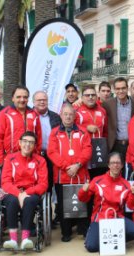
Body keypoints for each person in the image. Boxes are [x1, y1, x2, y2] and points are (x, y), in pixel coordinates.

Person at [78, 152, 134, 252]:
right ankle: (99, 238)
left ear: (122, 165)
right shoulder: (97, 180)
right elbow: (83, 199)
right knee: (91, 247)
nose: (115, 165)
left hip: (117, 219)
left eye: (118, 163)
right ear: (108, 165)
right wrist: (84, 190)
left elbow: (131, 205)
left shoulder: (126, 184)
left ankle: (116, 240)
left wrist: (133, 194)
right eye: (112, 163)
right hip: (100, 219)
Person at [48, 103, 92, 242]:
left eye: (71, 114)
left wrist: (77, 165)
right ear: (61, 115)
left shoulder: (83, 131)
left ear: (75, 116)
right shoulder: (54, 132)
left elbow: (88, 150)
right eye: (65, 114)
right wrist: (68, 167)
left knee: (83, 201)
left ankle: (83, 230)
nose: (68, 116)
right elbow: (52, 152)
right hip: (63, 175)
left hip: (80, 174)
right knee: (63, 205)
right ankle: (66, 232)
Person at [1, 132, 48, 249]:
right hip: (13, 191)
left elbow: (43, 184)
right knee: (11, 201)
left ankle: (25, 238)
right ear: (20, 143)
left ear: (35, 145)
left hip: (31, 192)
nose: (28, 145)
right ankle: (13, 240)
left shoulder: (40, 161)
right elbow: (5, 182)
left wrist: (26, 193)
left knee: (29, 201)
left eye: (31, 142)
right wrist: (19, 194)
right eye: (25, 141)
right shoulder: (10, 158)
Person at [0, 86, 42, 169]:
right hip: (10, 160)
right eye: (18, 97)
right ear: (13, 98)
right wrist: (1, 161)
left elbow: (39, 137)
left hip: (30, 160)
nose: (22, 100)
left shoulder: (34, 114)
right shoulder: (4, 113)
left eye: (25, 97)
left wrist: (37, 155)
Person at [33, 90, 62, 226]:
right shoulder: (29, 116)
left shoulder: (56, 117)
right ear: (33, 102)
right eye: (39, 100)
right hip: (35, 157)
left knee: (52, 186)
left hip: (53, 156)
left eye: (44, 99)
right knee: (39, 187)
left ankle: (52, 217)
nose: (42, 102)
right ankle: (38, 217)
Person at [75, 85, 109, 179]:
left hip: (99, 150)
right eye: (87, 95)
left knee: (98, 179)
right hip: (82, 151)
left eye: (93, 95)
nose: (90, 97)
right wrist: (86, 128)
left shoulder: (102, 111)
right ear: (82, 98)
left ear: (96, 96)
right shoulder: (76, 110)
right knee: (86, 182)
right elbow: (70, 128)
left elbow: (105, 131)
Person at [102, 77, 134, 167]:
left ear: (127, 88)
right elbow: (95, 106)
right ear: (114, 90)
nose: (120, 91)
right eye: (118, 89)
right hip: (114, 144)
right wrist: (80, 100)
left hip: (131, 145)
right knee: (115, 173)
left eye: (123, 88)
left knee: (129, 172)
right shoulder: (108, 104)